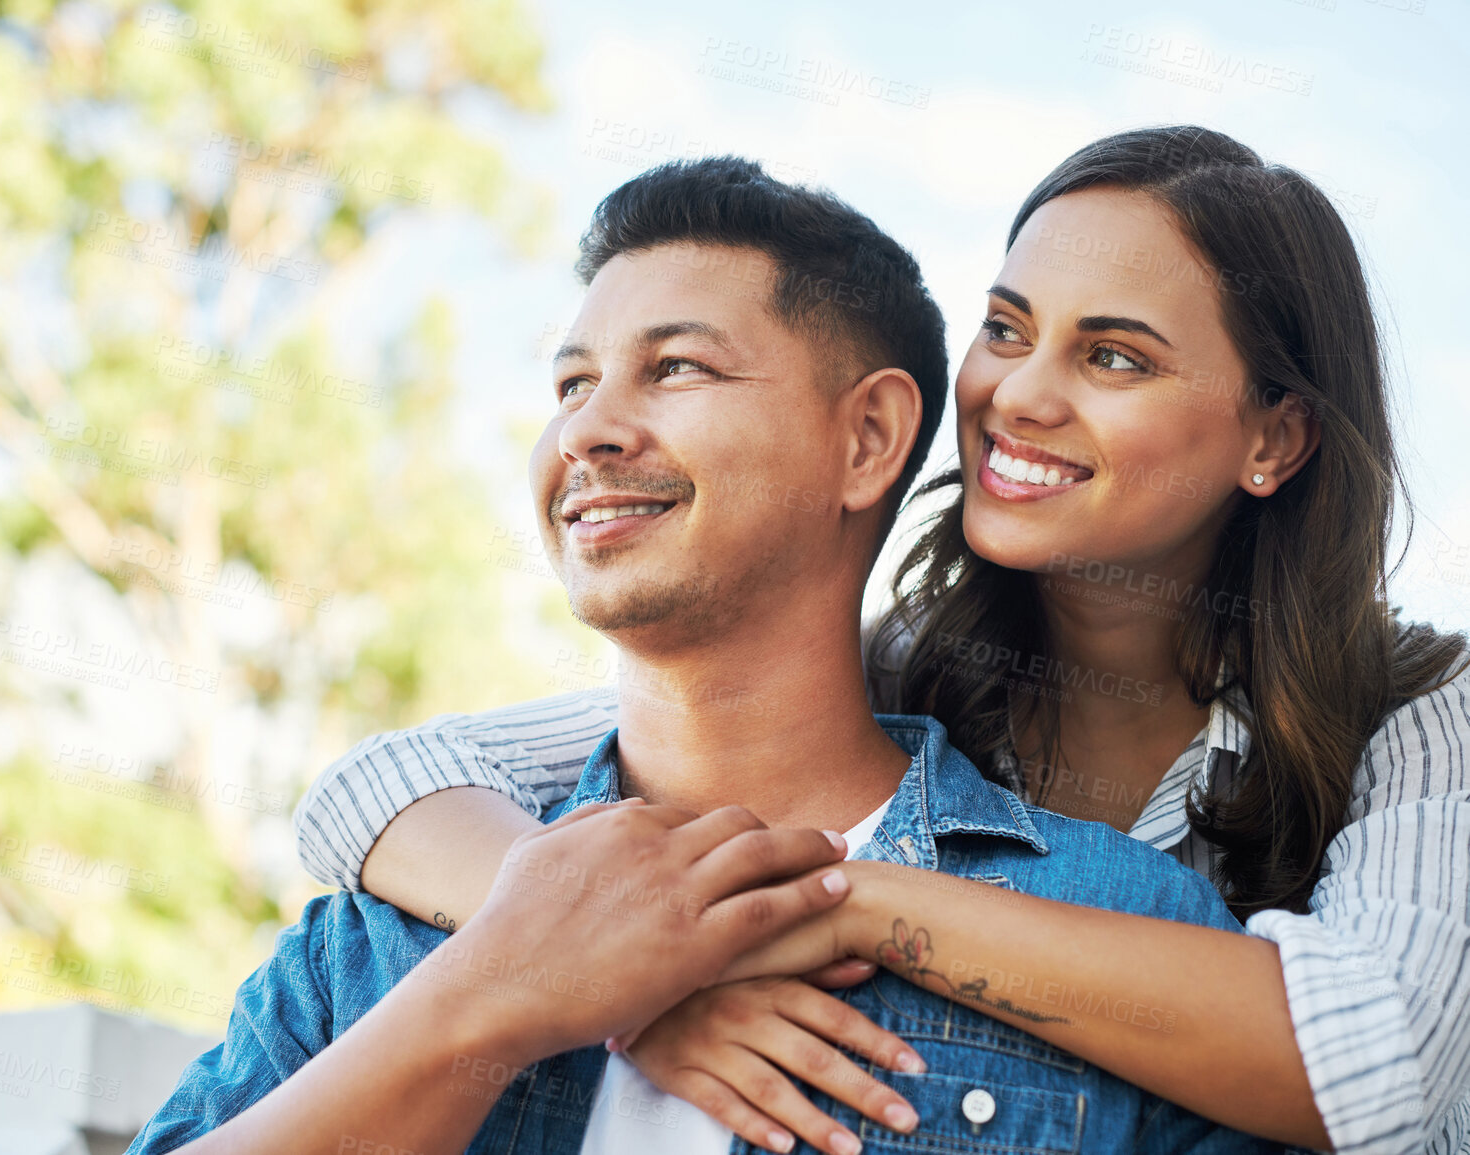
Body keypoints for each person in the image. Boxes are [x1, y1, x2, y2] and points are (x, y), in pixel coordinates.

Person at [296, 127, 1470, 1155]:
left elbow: (1382, 1063)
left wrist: (835, 905)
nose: (1020, 396)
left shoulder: (1420, 711)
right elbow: (381, 786)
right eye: (1007, 331)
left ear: (1277, 434)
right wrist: (626, 975)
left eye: (1113, 357)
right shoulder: (892, 669)